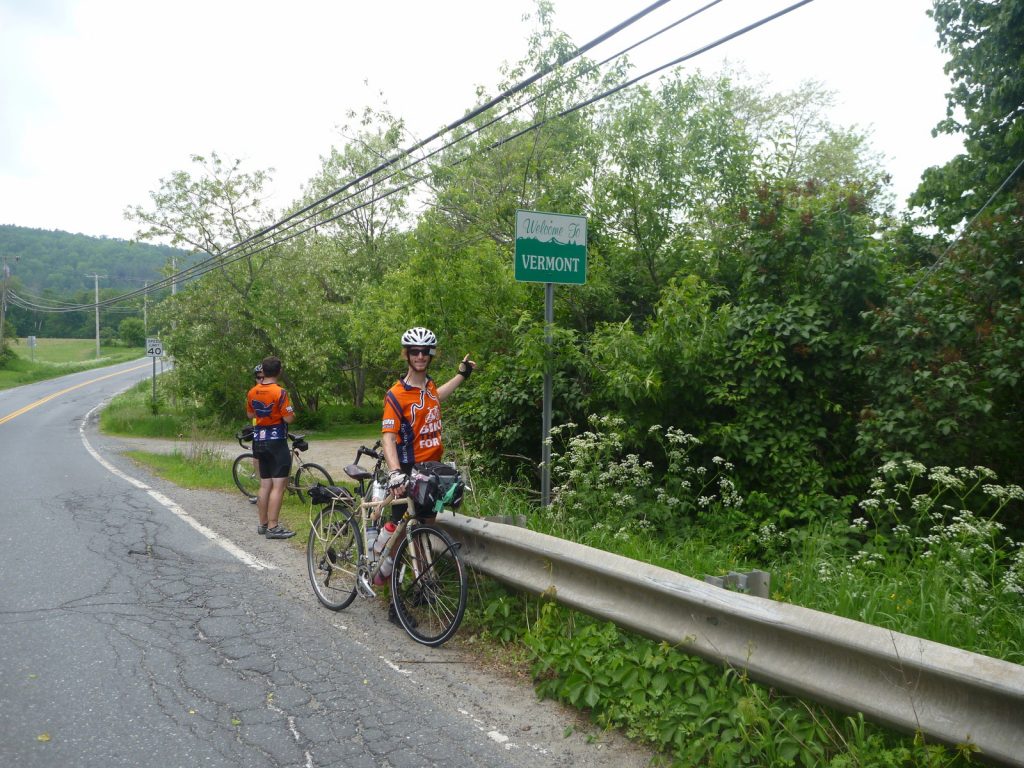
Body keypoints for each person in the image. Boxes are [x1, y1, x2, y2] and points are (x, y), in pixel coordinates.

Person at [380, 327, 475, 620]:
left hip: (432, 470)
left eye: (425, 352)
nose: (420, 356)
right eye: (414, 351)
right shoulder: (396, 395)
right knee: (399, 535)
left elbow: (437, 396)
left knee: (424, 528)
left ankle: (421, 585)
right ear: (406, 354)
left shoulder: (428, 387)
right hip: (408, 470)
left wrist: (462, 375)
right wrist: (395, 473)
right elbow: (387, 436)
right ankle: (395, 602)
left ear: (430, 355)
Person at [246, 356, 296, 539]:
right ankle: (273, 527)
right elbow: (289, 418)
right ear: (279, 371)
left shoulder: (252, 391)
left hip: (258, 440)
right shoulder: (280, 392)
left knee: (264, 484)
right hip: (276, 441)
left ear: (263, 372)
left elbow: (250, 413)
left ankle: (262, 524)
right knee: (278, 486)